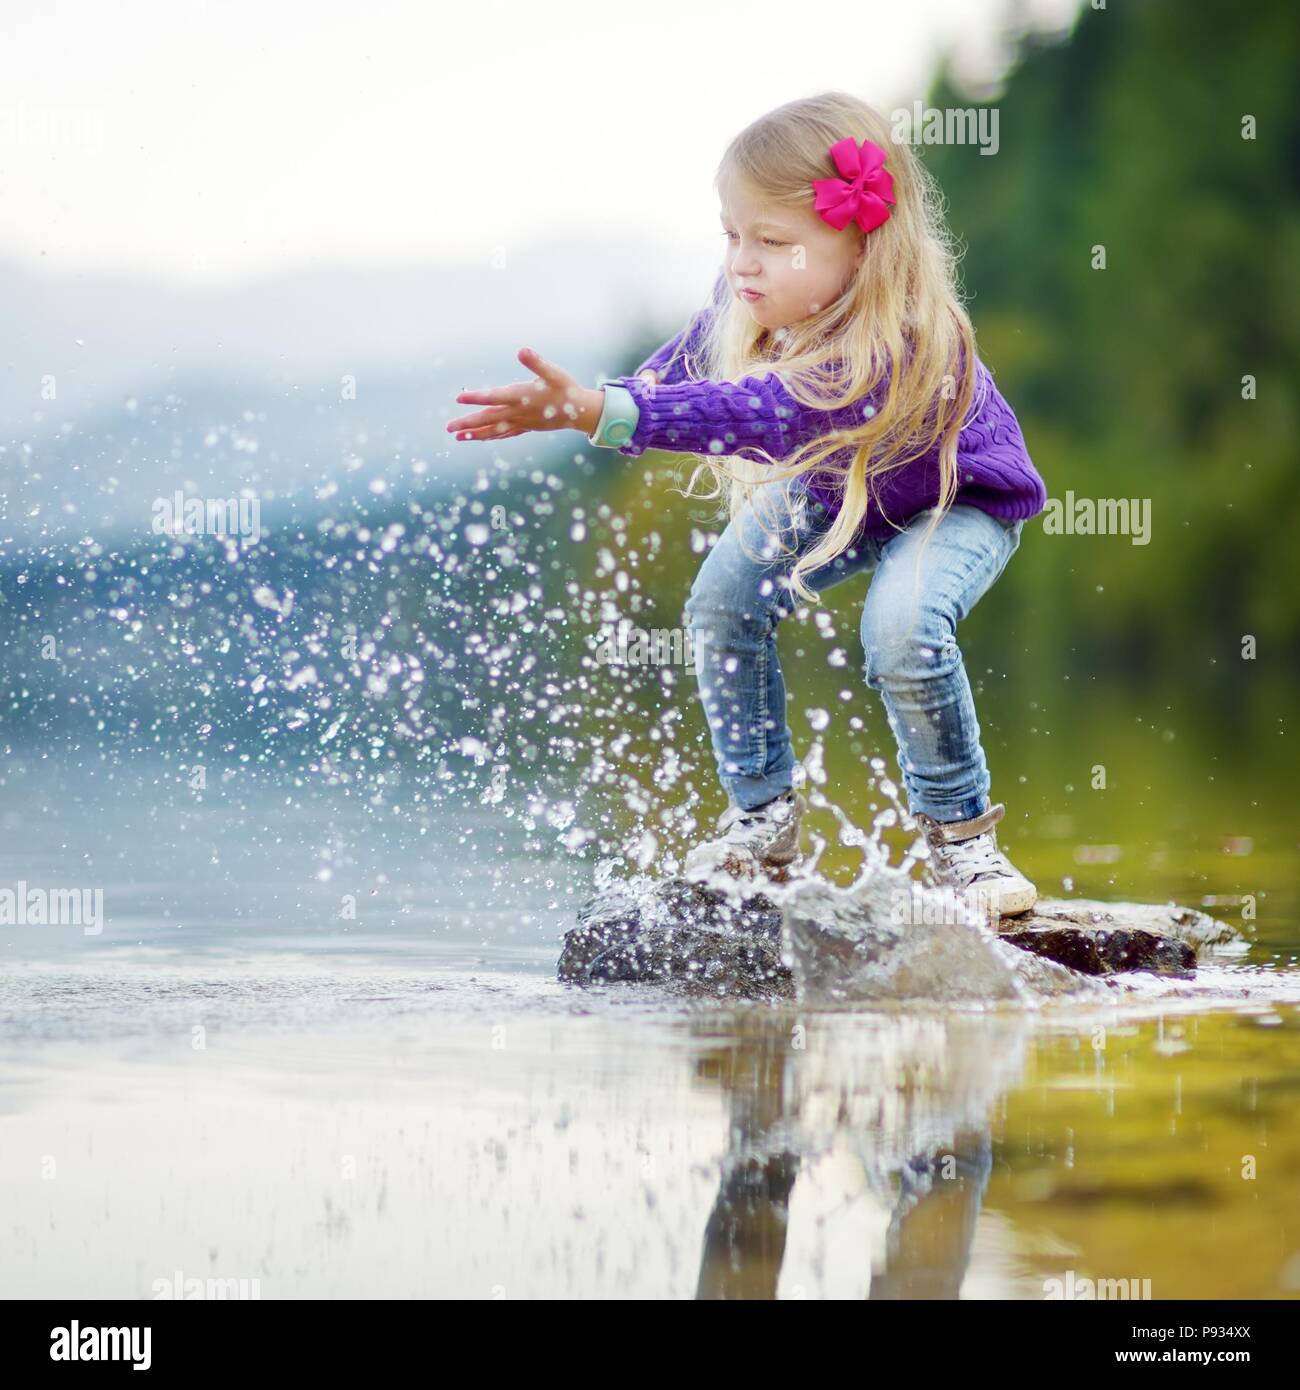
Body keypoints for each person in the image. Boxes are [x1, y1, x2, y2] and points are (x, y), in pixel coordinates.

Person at [446, 92, 1048, 918]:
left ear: (862, 246)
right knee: (724, 600)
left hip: (958, 498)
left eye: (772, 242)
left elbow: (757, 414)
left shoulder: (896, 337)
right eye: (732, 235)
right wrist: (593, 400)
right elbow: (682, 371)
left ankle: (964, 847)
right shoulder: (751, 303)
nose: (742, 262)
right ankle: (762, 821)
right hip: (846, 489)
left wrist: (598, 414)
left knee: (902, 629)